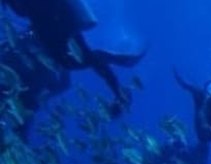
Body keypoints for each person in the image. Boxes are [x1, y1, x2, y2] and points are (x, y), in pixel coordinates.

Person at [1, 0, 144, 117]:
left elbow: (23, 10)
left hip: (53, 24)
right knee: (83, 57)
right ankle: (119, 83)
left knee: (77, 60)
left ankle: (120, 71)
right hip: (62, 19)